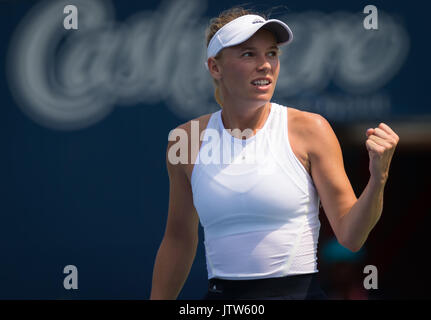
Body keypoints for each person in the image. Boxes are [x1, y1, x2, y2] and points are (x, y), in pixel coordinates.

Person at [150, 7, 399, 300]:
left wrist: (377, 178)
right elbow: (178, 238)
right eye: (248, 54)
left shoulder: (312, 129)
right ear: (215, 68)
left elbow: (352, 236)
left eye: (271, 53)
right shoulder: (186, 139)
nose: (265, 65)